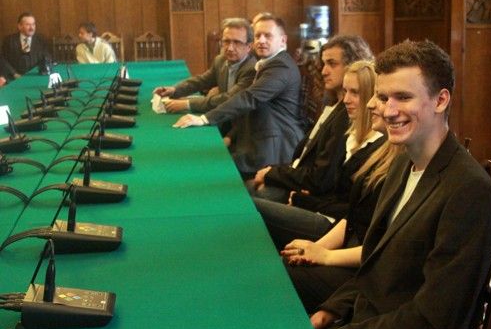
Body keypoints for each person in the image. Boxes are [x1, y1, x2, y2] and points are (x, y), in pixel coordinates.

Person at [309, 40, 491, 329]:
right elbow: (376, 269)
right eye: (383, 98)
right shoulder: (401, 163)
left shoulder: (469, 191)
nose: (388, 109)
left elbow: (431, 323)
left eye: (403, 97)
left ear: (441, 100)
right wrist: (328, 312)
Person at [281, 88, 401, 313]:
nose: (370, 104)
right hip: (349, 247)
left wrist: (326, 256)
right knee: (286, 259)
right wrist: (317, 248)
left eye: (382, 98)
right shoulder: (383, 153)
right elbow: (354, 217)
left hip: (364, 273)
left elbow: (384, 252)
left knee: (281, 274)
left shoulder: (399, 161)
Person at [253, 61, 385, 250]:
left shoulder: (377, 146)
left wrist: (305, 201)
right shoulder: (351, 135)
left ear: (371, 96)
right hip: (324, 210)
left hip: (336, 226)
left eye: (355, 93)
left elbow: (354, 210)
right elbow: (332, 188)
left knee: (253, 208)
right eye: (345, 91)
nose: (346, 100)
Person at [173, 15, 304, 181]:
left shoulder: (281, 66)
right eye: (258, 35)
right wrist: (231, 136)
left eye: (268, 36)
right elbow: (249, 108)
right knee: (201, 160)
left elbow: (248, 99)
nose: (261, 40)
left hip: (274, 148)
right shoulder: (268, 62)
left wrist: (204, 119)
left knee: (206, 169)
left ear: (283, 40)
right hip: (254, 139)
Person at [251, 35, 373, 203]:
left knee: (252, 198)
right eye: (323, 64)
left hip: (311, 193)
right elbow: (305, 159)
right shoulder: (332, 104)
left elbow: (321, 179)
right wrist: (272, 172)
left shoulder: (349, 113)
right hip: (298, 177)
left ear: (354, 65)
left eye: (332, 64)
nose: (324, 71)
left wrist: (271, 174)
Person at [154, 17, 256, 135]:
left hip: (241, 131)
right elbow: (202, 80)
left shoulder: (252, 69)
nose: (230, 48)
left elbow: (228, 99)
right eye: (226, 41)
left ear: (249, 46)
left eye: (237, 42)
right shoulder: (221, 60)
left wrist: (187, 104)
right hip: (222, 121)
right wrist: (175, 90)